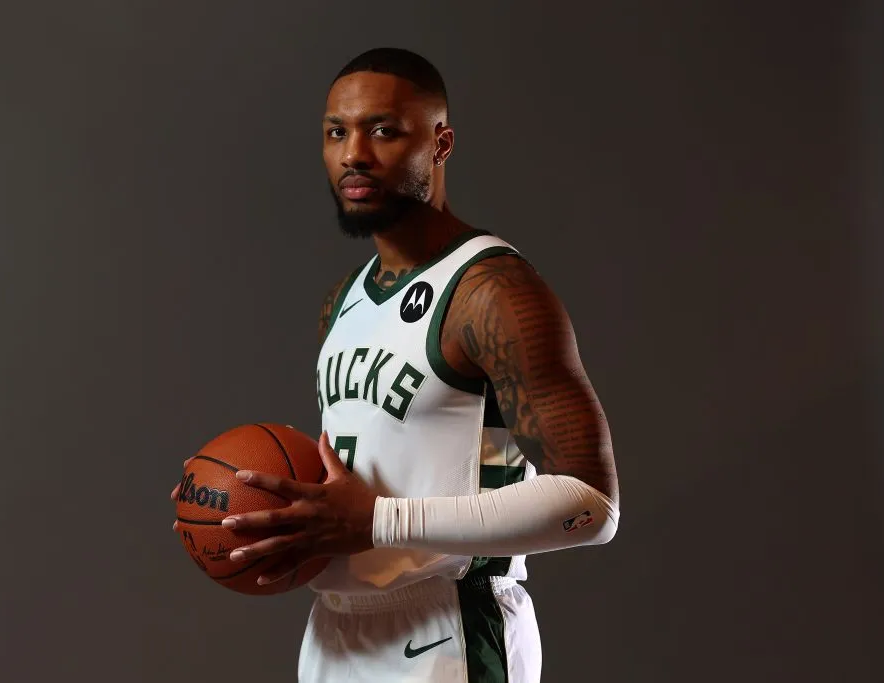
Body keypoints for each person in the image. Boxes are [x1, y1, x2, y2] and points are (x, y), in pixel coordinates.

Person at [173, 47, 620, 683]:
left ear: (440, 144)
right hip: (334, 635)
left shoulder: (493, 292)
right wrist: (239, 510)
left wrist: (380, 521)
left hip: (449, 634)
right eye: (336, 132)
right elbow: (358, 479)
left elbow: (591, 506)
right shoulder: (345, 299)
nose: (354, 152)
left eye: (383, 129)